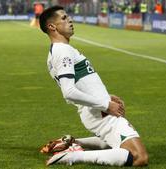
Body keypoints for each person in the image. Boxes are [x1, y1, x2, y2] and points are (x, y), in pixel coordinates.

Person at [39, 5, 148, 167]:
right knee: (139, 157)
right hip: (99, 111)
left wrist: (105, 95)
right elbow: (68, 92)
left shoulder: (59, 51)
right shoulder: (62, 51)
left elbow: (82, 82)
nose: (70, 20)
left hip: (94, 110)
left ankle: (72, 142)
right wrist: (106, 104)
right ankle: (72, 156)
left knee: (111, 144)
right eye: (63, 18)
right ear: (52, 26)